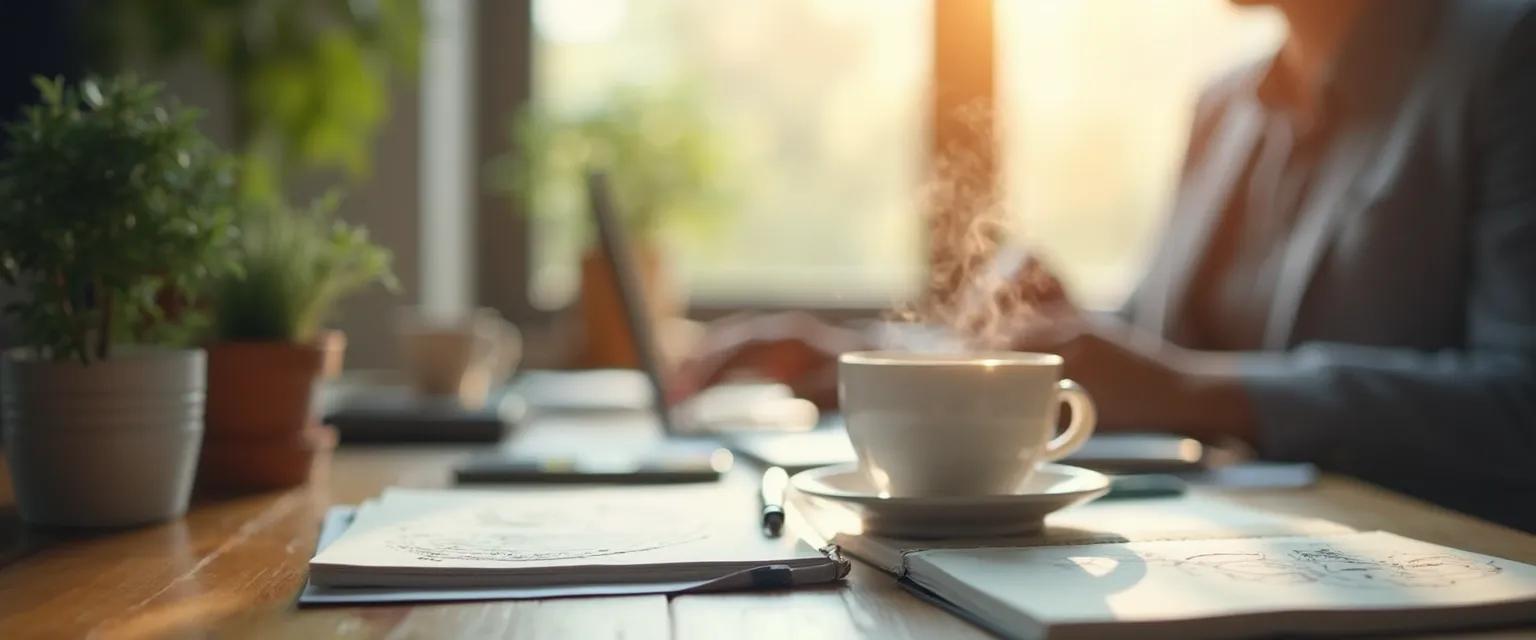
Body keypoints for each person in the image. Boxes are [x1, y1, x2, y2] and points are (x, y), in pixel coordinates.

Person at [683, 0, 1536, 532]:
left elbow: (1520, 401)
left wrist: (1195, 392)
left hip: (1432, 564)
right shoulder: (1227, 105)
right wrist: (867, 358)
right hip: (1231, 548)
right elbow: (1148, 344)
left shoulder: (1506, 53)